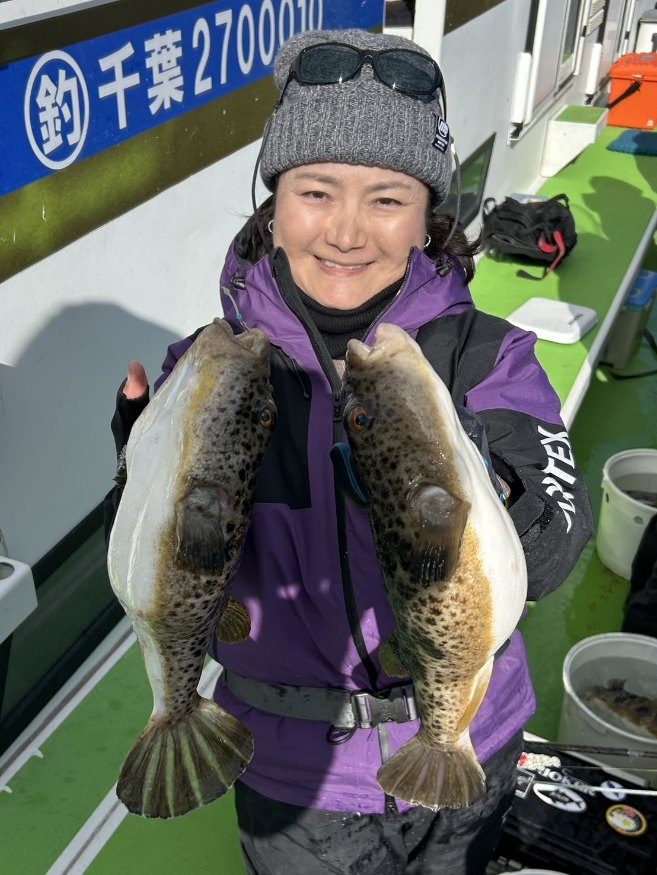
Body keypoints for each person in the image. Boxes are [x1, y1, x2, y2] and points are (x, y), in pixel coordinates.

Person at [106, 28, 593, 875]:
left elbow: (552, 549)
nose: (345, 231)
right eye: (315, 191)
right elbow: (167, 558)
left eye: (387, 198)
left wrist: (479, 473)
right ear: (273, 203)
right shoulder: (211, 370)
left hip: (471, 735)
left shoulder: (486, 356)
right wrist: (139, 456)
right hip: (295, 768)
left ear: (427, 218)